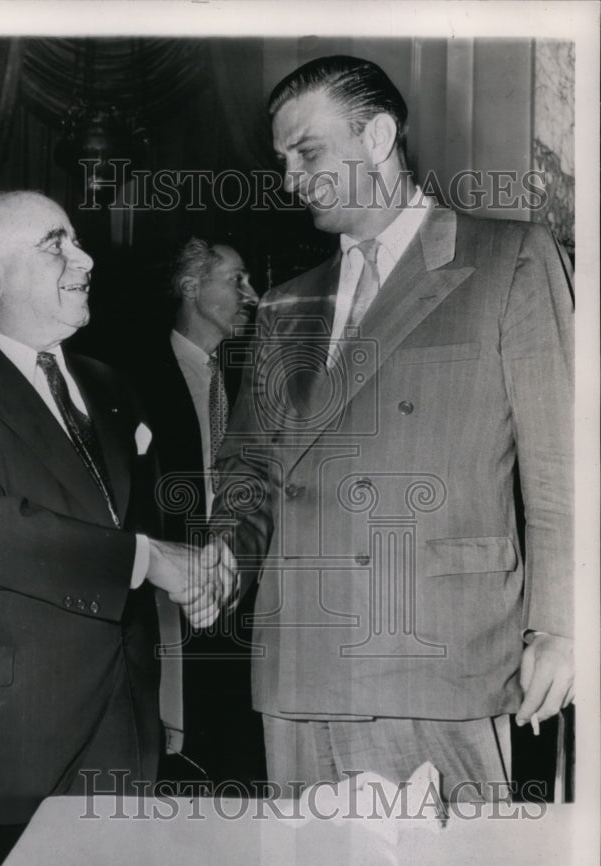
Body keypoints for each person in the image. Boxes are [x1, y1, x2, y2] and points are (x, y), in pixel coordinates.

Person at [209, 56, 574, 803]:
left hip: (442, 661)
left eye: (305, 152)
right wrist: (225, 553)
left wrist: (561, 628)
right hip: (300, 674)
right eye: (281, 160)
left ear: (376, 136)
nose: (289, 177)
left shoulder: (508, 259)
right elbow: (250, 471)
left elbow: (564, 471)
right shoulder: (283, 305)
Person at [0, 190, 232, 866]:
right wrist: (150, 561)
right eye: (57, 243)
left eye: (77, 240)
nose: (84, 258)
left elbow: (143, 530)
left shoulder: (116, 385)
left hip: (123, 737)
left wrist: (201, 577)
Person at [134, 238, 265, 785]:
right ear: (191, 286)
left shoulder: (258, 376)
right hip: (168, 600)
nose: (251, 294)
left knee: (244, 749)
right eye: (236, 280)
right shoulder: (129, 378)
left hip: (247, 591)